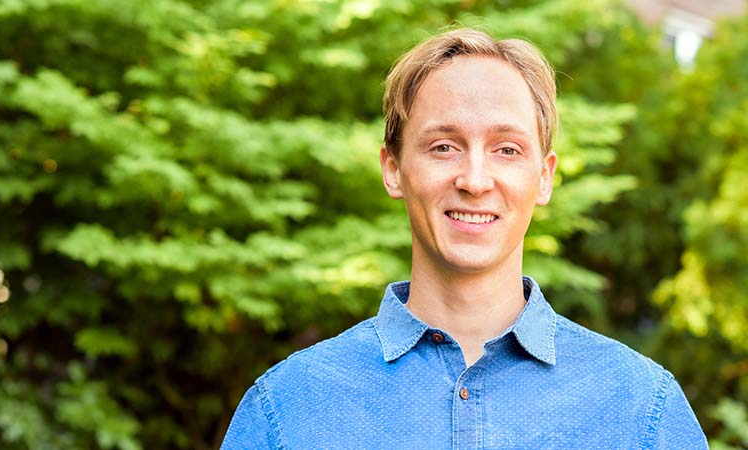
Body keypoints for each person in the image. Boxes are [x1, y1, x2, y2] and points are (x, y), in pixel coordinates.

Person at [221, 28, 707, 449]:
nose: (475, 180)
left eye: (507, 149)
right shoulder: (286, 410)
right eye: (444, 146)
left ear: (544, 177)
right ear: (393, 169)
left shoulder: (644, 412)